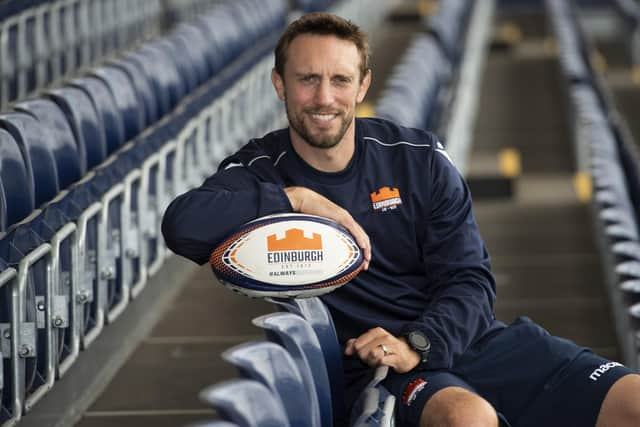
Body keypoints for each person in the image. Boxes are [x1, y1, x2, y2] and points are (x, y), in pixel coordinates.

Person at [162, 11, 640, 427]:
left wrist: (420, 340)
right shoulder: (259, 169)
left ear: (363, 84)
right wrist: (295, 200)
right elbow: (182, 225)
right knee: (470, 418)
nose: (323, 97)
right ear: (279, 84)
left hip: (459, 339)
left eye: (340, 80)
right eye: (307, 79)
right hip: (377, 367)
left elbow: (470, 280)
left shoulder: (417, 157)